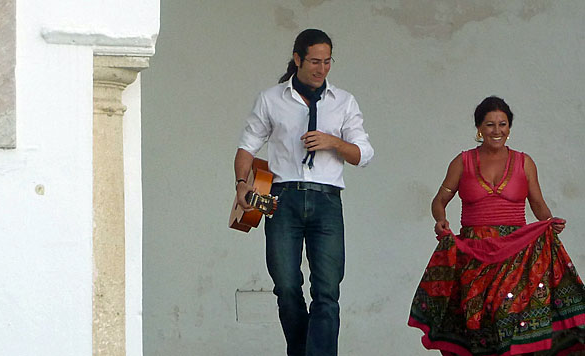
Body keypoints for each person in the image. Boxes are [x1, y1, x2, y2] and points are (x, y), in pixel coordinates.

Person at [234, 29, 374, 356]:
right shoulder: (271, 99)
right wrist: (242, 184)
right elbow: (246, 146)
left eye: (327, 62)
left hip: (327, 199)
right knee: (286, 287)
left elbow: (364, 155)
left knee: (327, 290)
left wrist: (333, 142)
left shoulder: (344, 101)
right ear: (298, 59)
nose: (321, 68)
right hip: (282, 198)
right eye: (314, 61)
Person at [408, 96, 585, 355]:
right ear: (479, 128)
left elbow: (537, 204)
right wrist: (440, 219)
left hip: (517, 252)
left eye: (502, 124)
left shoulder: (524, 162)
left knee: (507, 311)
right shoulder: (463, 161)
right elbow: (440, 200)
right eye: (490, 124)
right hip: (474, 254)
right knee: (477, 321)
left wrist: (549, 223)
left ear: (509, 128)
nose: (497, 130)